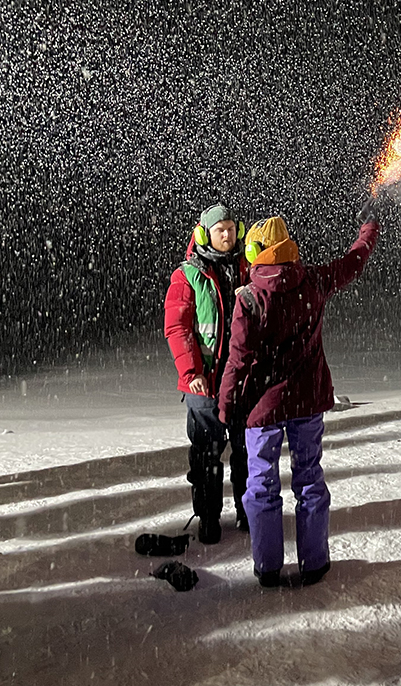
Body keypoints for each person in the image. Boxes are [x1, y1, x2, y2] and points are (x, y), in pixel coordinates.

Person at [219, 205, 379, 587]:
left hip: (263, 408)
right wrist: (368, 230)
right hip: (307, 402)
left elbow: (237, 361)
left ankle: (268, 566)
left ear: (258, 252)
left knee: (261, 487)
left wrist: (225, 406)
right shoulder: (314, 281)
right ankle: (314, 564)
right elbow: (353, 262)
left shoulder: (249, 299)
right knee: (309, 481)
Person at [163, 202, 251, 544]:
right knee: (206, 458)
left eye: (230, 228)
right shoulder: (187, 275)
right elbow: (177, 328)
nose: (226, 234)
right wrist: (191, 371)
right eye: (219, 229)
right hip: (204, 386)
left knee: (247, 455)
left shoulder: (250, 267)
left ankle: (248, 514)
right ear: (204, 233)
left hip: (244, 383)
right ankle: (209, 519)